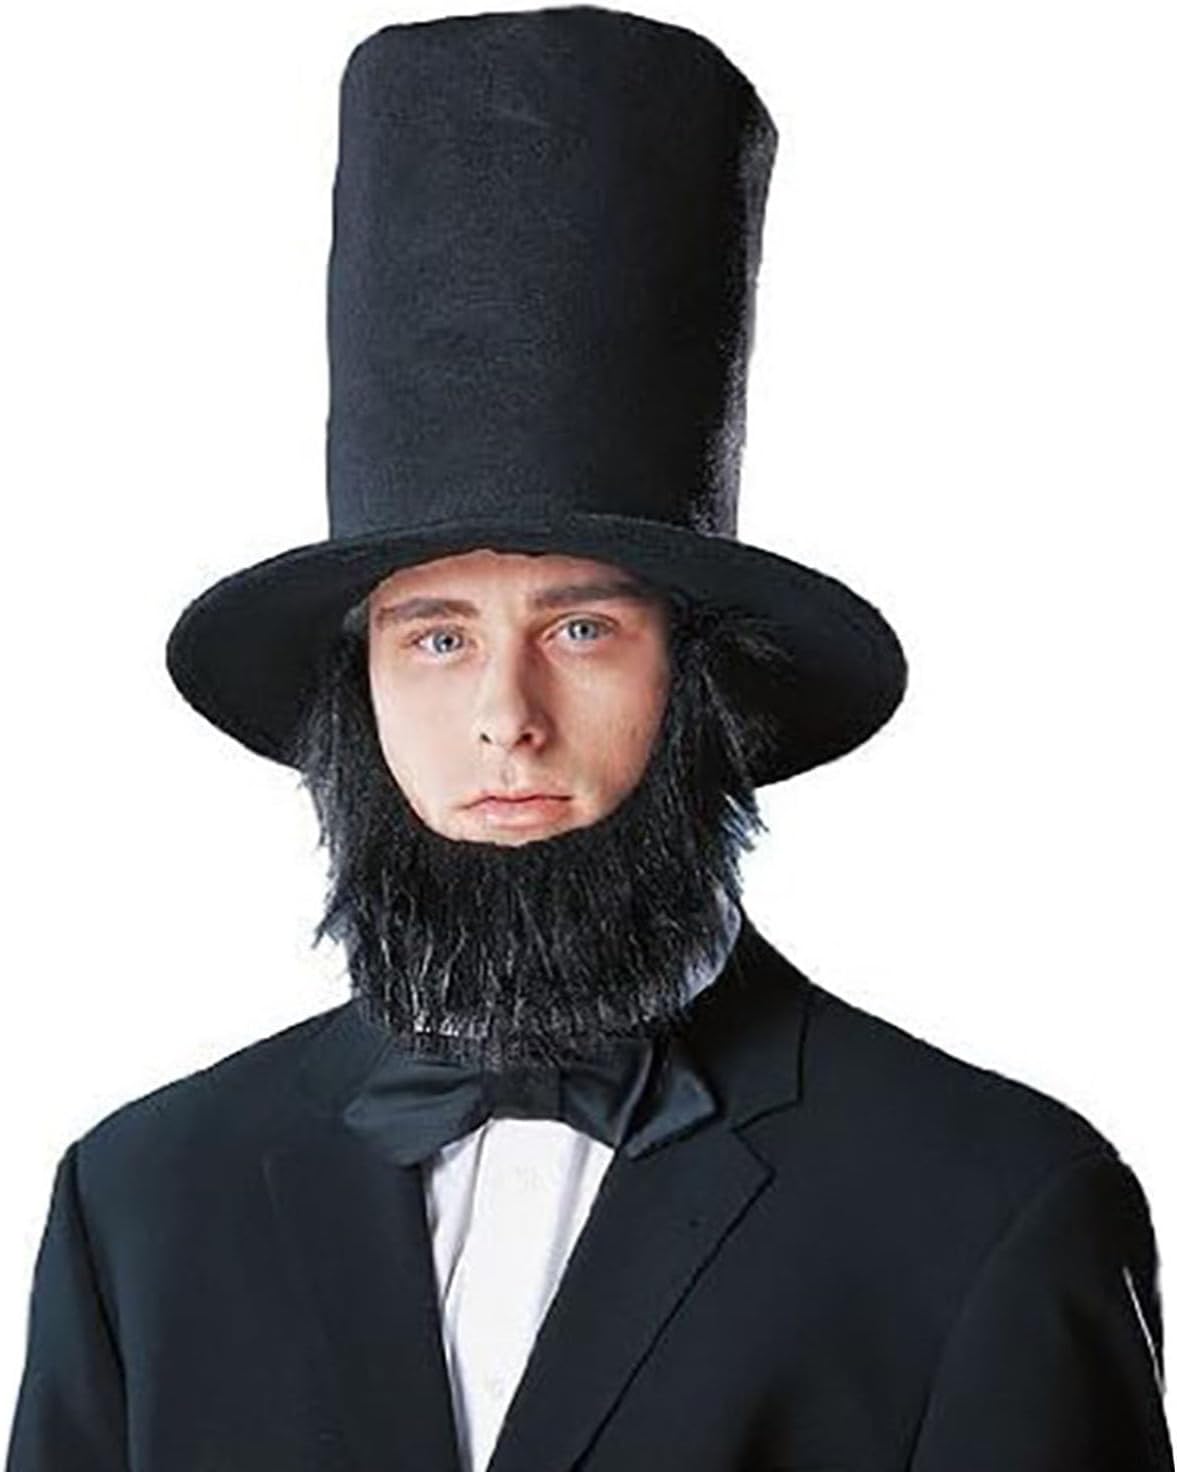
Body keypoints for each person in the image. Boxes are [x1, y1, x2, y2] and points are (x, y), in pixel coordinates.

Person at [5, 8, 1173, 1471]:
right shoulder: (138, 1202)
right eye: (435, 639)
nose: (506, 715)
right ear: (357, 697)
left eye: (580, 631)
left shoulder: (991, 1205)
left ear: (700, 683)